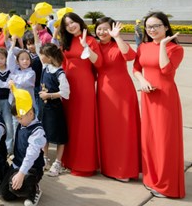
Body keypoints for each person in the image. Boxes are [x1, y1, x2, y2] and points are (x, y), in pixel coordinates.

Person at [133, 11, 184, 198]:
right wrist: (142, 81)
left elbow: (166, 70)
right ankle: (151, 179)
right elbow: (136, 68)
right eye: (149, 27)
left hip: (165, 98)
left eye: (156, 26)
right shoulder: (143, 46)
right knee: (150, 138)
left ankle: (166, 185)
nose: (152, 29)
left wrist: (162, 45)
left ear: (166, 27)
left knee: (164, 141)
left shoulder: (176, 49)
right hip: (148, 97)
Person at [94, 17, 141, 182]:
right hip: (104, 91)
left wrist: (117, 37)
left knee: (124, 129)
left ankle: (125, 170)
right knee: (108, 130)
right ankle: (110, 167)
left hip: (122, 91)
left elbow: (130, 56)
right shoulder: (94, 46)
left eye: (106, 29)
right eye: (99, 29)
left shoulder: (118, 44)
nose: (102, 32)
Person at [58, 12, 102, 176]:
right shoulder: (66, 41)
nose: (70, 26)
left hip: (84, 85)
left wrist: (86, 47)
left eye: (72, 22)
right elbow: (63, 64)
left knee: (84, 123)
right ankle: (68, 161)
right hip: (68, 85)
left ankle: (84, 164)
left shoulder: (90, 40)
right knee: (70, 122)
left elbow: (99, 62)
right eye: (67, 25)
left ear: (79, 21)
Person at [0, 94, 46, 206]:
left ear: (31, 113)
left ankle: (33, 190)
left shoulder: (38, 131)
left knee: (19, 186)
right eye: (16, 118)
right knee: (4, 194)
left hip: (32, 167)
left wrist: (21, 173)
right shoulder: (23, 123)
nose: (18, 121)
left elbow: (31, 155)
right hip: (17, 164)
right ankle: (22, 186)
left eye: (20, 118)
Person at [36, 43, 69, 177]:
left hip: (54, 108)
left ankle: (57, 162)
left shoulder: (60, 73)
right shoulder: (46, 67)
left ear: (49, 57)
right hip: (44, 107)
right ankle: (45, 159)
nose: (40, 56)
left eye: (43, 54)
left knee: (59, 135)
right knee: (44, 133)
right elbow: (38, 45)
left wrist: (49, 95)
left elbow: (65, 93)